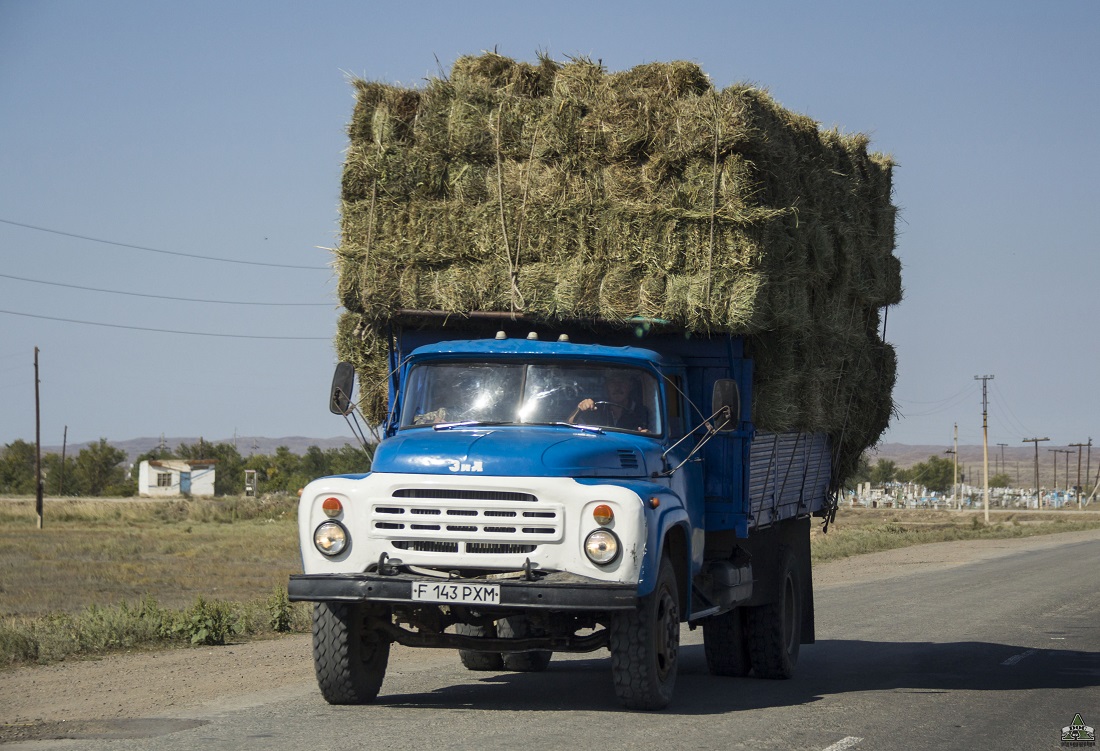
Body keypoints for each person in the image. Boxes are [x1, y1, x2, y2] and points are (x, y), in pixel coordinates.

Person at [571, 373, 650, 431]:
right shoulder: (595, 407)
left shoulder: (642, 412)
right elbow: (569, 428)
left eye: (622, 381)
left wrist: (647, 434)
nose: (617, 387)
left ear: (630, 386)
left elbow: (654, 437)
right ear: (606, 386)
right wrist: (580, 409)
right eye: (612, 382)